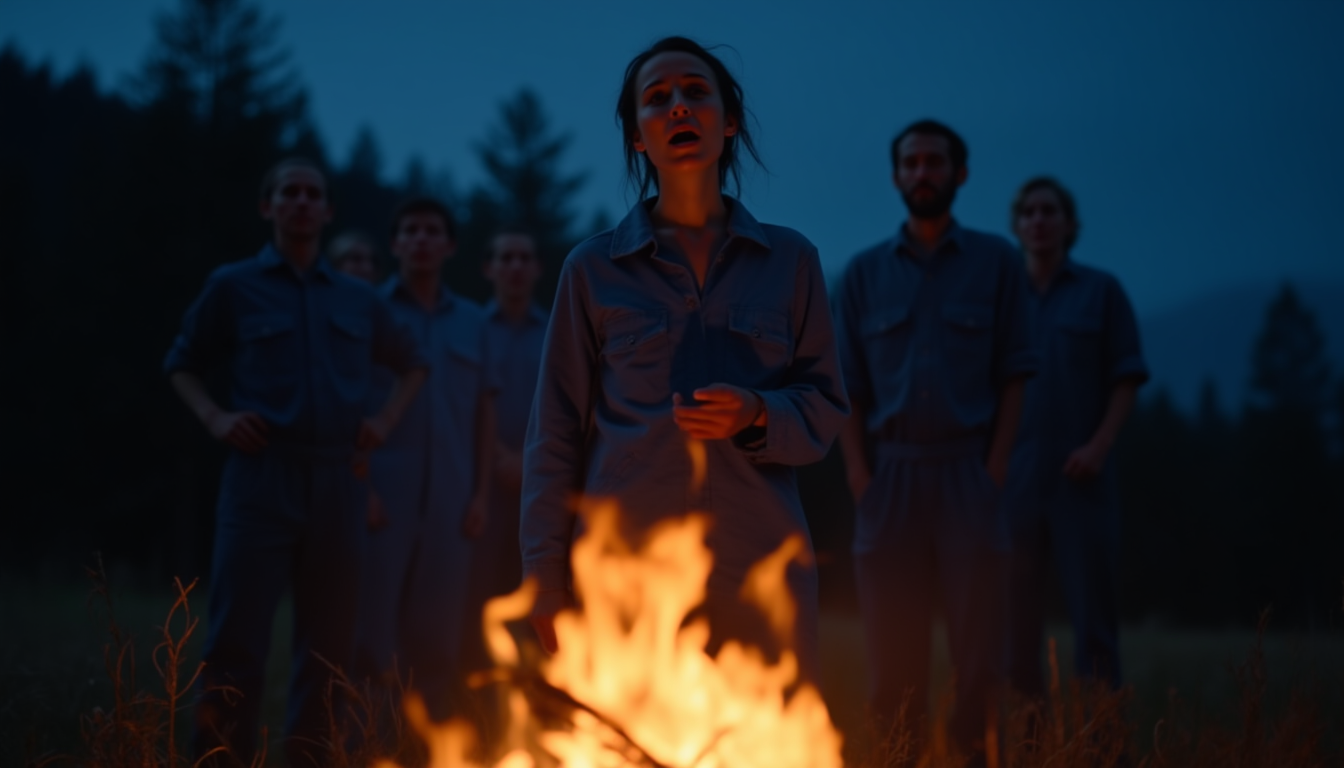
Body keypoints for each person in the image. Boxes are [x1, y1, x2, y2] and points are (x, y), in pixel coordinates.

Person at [521, 36, 849, 679]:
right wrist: (543, 570)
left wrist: (757, 412)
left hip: (760, 564)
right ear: (637, 136)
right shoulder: (592, 269)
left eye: (696, 92)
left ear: (729, 122)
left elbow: (826, 405)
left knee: (764, 730)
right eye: (657, 98)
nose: (677, 106)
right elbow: (554, 430)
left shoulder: (791, 261)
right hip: (625, 567)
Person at [164, 158, 427, 767]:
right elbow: (181, 362)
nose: (302, 202)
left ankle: (308, 761)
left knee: (329, 650)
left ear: (328, 210)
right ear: (269, 206)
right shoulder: (234, 286)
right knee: (236, 643)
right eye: (290, 192)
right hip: (261, 478)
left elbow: (413, 362)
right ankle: (219, 761)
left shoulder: (358, 298)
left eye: (313, 194)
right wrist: (215, 418)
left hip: (338, 480)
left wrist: (383, 421)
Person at [834, 120, 1037, 760]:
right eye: (911, 163)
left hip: (967, 474)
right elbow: (846, 388)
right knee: (893, 663)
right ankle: (902, 759)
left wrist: (994, 469)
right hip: (889, 479)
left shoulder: (997, 264)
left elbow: (1016, 373)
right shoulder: (864, 274)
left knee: (980, 660)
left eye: (935, 162)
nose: (923, 173)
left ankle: (976, 757)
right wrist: (860, 477)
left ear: (960, 173)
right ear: (896, 176)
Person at [1004, 177, 1148, 698]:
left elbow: (1127, 376)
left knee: (1095, 626)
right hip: (1014, 483)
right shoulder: (1003, 295)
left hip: (1081, 483)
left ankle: (1101, 740)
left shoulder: (1101, 292)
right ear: (1017, 225)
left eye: (1049, 211)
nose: (1039, 220)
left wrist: (1099, 446)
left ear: (1070, 224)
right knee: (1014, 629)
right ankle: (1032, 738)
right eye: (1029, 213)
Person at [356, 197, 497, 722]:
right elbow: (351, 405)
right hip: (382, 501)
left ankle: (428, 748)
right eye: (410, 231)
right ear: (395, 243)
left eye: (431, 231)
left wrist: (480, 494)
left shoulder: (473, 322)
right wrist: (363, 489)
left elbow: (485, 414)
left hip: (452, 502)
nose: (420, 239)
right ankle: (365, 747)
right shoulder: (368, 310)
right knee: (372, 638)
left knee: (437, 639)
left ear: (450, 245)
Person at [461, 231, 547, 675]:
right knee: (475, 598)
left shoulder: (556, 329)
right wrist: (498, 456)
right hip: (481, 489)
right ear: (488, 268)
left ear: (537, 269)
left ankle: (541, 697)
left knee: (540, 596)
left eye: (523, 258)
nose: (515, 267)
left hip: (542, 485)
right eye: (505, 258)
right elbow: (462, 402)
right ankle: (476, 698)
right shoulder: (470, 329)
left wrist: (529, 461)